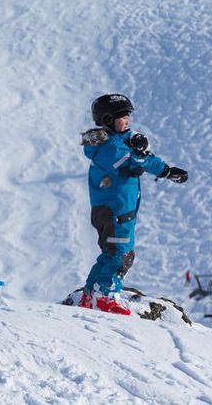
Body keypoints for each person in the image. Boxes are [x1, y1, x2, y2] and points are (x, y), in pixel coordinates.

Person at [79, 94, 188, 315]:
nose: (127, 120)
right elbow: (131, 164)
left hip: (116, 208)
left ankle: (90, 294)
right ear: (108, 119)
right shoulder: (108, 147)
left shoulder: (119, 140)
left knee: (110, 253)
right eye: (122, 116)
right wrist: (145, 158)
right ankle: (106, 296)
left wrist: (162, 167)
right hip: (114, 210)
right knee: (121, 254)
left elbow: (140, 160)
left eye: (128, 116)